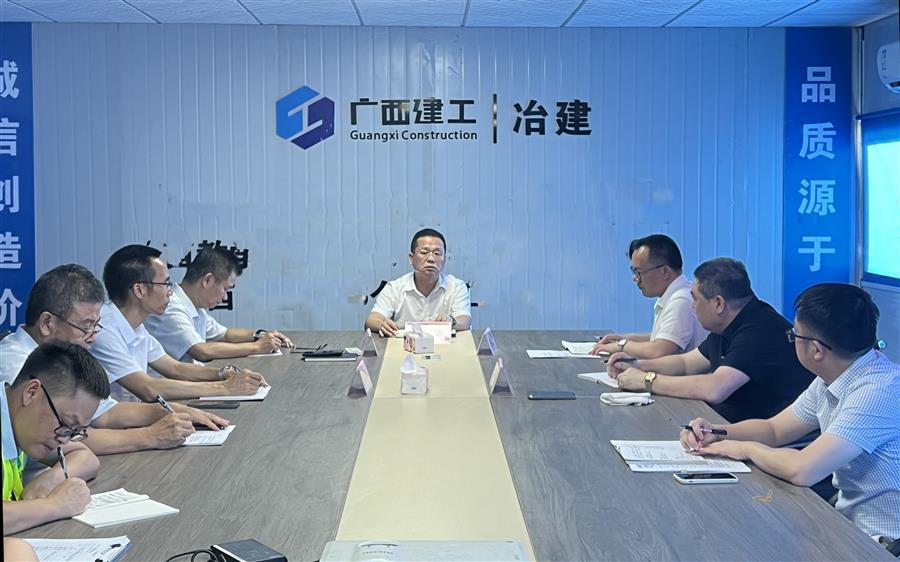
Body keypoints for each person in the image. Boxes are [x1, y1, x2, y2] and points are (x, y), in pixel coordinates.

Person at [681, 284, 899, 542]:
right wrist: (716, 432)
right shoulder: (834, 376)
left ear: (816, 350)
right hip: (849, 525)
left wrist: (745, 449)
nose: (792, 340)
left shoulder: (879, 391)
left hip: (883, 543)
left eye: (795, 335)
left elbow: (802, 469)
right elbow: (774, 430)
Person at [0, 265, 227, 454]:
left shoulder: (65, 360)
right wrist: (149, 436)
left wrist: (174, 412)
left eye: (95, 326)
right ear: (47, 323)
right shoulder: (14, 364)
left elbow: (105, 413)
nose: (93, 336)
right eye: (86, 326)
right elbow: (57, 440)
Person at [608, 257, 814, 422]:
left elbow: (714, 389)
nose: (692, 305)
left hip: (770, 441)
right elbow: (686, 363)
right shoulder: (728, 323)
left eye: (695, 298)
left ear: (718, 303)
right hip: (729, 424)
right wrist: (636, 365)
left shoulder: (760, 330)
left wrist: (647, 380)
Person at [90, 245, 266, 402]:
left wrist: (224, 373)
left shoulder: (136, 326)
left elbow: (175, 368)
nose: (170, 291)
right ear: (139, 290)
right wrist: (225, 388)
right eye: (165, 283)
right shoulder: (103, 328)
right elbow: (148, 388)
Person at [3, 342, 107, 535]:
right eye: (65, 423)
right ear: (31, 392)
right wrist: (55, 505)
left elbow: (86, 457)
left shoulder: (20, 423)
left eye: (75, 431)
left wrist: (51, 479)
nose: (64, 440)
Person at [145, 246, 293, 362]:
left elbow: (224, 334)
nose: (225, 296)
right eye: (225, 289)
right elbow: (202, 351)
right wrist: (257, 347)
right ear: (207, 280)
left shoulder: (196, 307)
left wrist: (262, 335)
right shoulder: (171, 307)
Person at [590, 234, 705, 358]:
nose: (635, 278)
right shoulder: (677, 293)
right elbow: (663, 337)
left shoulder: (681, 301)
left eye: (639, 272)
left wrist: (622, 345)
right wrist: (622, 338)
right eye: (633, 272)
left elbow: (658, 351)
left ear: (665, 271)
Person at [365, 228, 471, 336]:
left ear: (444, 259)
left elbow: (465, 321)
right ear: (411, 258)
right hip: (403, 345)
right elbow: (372, 319)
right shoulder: (394, 288)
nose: (431, 259)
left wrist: (451, 321)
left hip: (444, 344)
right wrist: (381, 324)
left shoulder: (456, 286)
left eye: (437, 253)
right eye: (424, 252)